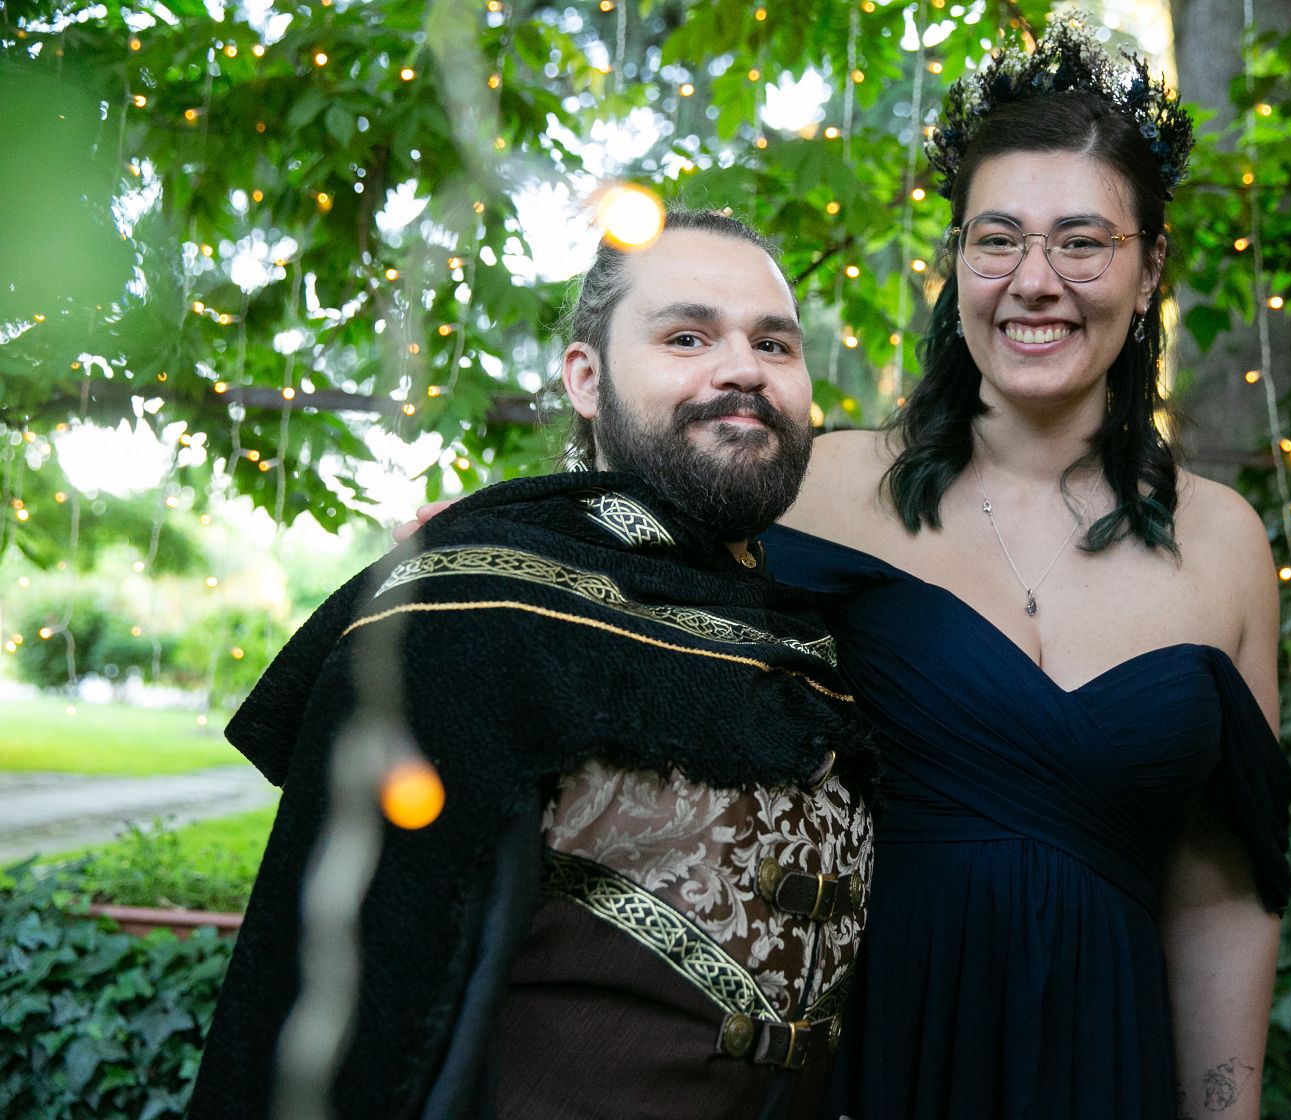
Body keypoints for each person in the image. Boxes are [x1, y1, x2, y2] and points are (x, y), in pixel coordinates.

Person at [189, 210, 878, 1120]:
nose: (744, 369)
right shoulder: (474, 605)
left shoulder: (810, 628)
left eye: (774, 344)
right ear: (586, 379)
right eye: (686, 336)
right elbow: (349, 1014)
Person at [760, 20, 1291, 1120]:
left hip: (1104, 1068)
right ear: (956, 261)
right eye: (997, 239)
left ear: (1150, 270)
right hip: (868, 1061)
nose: (1034, 282)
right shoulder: (813, 489)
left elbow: (1219, 897)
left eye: (1082, 243)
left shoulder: (1226, 542)